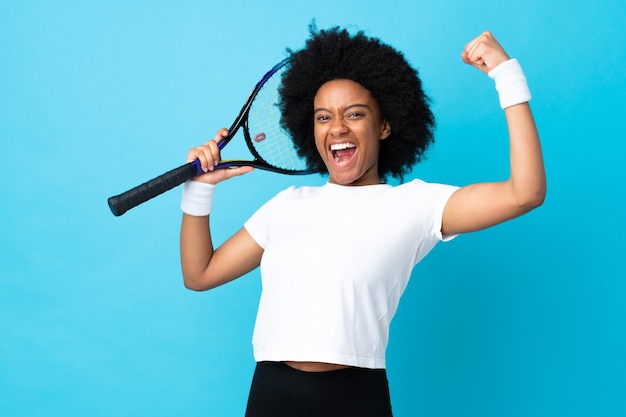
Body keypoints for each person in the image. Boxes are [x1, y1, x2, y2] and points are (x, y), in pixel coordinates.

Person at [179, 26, 546, 417]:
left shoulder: (415, 205)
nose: (337, 127)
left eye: (354, 114)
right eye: (323, 117)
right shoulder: (287, 206)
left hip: (355, 399)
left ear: (384, 126)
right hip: (271, 395)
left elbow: (525, 193)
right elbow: (200, 274)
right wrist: (199, 190)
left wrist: (507, 75)